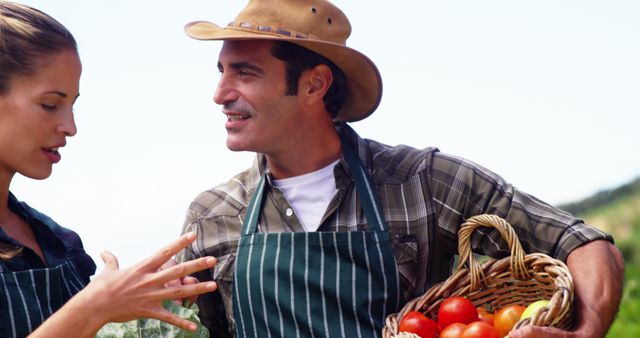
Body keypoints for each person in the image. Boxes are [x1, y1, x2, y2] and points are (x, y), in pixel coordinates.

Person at [177, 0, 624, 337]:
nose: (220, 93)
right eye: (222, 72)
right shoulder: (212, 217)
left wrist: (585, 333)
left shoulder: (424, 182)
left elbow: (582, 243)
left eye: (245, 73)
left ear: (314, 83)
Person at [0, 2, 217, 337]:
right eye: (49, 105)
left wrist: (140, 295)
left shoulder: (59, 241)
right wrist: (96, 305)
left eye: (72, 105)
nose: (70, 127)